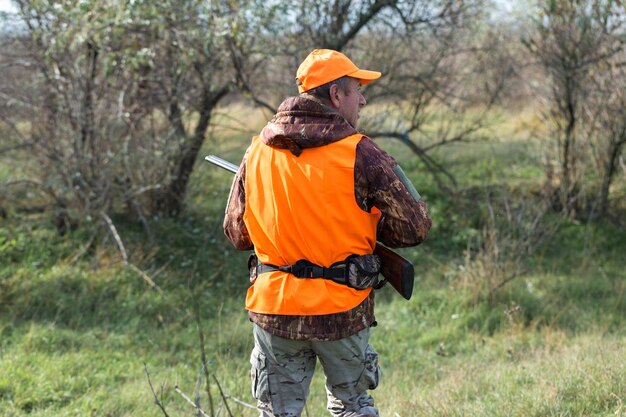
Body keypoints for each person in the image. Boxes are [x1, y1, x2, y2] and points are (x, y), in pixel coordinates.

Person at [223, 49, 432, 417]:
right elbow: (415, 226)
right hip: (342, 311)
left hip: (275, 312)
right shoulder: (362, 153)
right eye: (356, 89)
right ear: (336, 95)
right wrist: (360, 218)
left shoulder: (256, 152)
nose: (363, 98)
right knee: (352, 408)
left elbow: (237, 233)